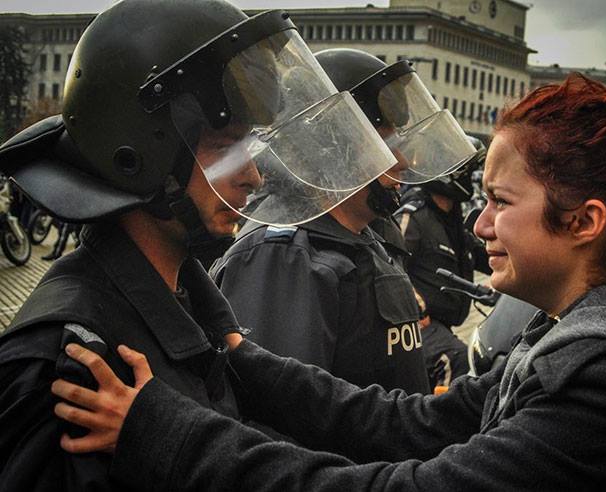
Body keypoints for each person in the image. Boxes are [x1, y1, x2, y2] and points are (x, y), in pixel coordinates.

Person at [53, 72, 606, 489]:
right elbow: (410, 422)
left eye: (501, 200)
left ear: (585, 222)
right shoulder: (591, 335)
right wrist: (242, 358)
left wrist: (162, 432)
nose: (479, 225)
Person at [0, 1, 398, 489]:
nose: (251, 176)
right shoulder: (71, 357)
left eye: (248, 149)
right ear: (142, 152)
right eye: (224, 147)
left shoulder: (197, 311)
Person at [210, 48, 478, 394]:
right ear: (334, 145)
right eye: (385, 140)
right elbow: (280, 414)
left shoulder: (373, 235)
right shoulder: (285, 257)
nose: (404, 159)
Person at [395, 141, 491, 387]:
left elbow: (486, 256)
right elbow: (389, 262)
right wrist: (416, 307)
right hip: (416, 326)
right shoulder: (414, 216)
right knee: (456, 360)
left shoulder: (454, 221)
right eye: (466, 173)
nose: (471, 180)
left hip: (442, 326)